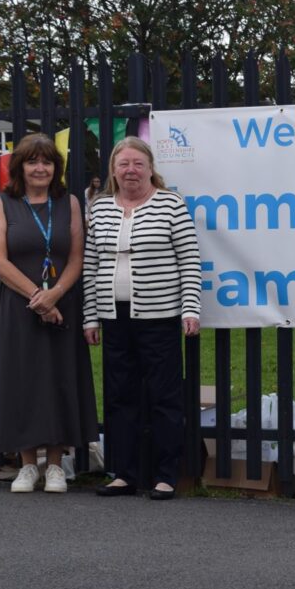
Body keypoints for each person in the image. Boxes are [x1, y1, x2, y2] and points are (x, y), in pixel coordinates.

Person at [0, 132, 100, 493]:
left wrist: (55, 295)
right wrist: (37, 298)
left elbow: (77, 256)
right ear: (20, 167)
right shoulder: (1, 202)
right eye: (33, 161)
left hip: (62, 301)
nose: (40, 168)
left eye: (47, 161)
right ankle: (28, 465)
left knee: (59, 378)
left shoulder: (69, 203)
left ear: (56, 167)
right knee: (21, 380)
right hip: (14, 303)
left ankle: (57, 465)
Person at [83, 136, 202, 499]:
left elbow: (189, 260)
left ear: (151, 169)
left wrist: (190, 307)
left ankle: (166, 475)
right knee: (120, 396)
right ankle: (124, 472)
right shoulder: (99, 208)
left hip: (160, 315)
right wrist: (90, 315)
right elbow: (91, 264)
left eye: (138, 164)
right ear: (113, 171)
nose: (131, 170)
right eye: (124, 164)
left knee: (165, 397)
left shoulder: (170, 205)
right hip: (113, 317)